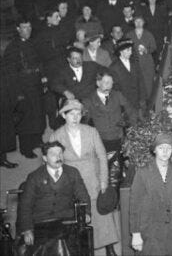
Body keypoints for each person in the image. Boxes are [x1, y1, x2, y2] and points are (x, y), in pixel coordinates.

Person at [49, 99, 119, 255]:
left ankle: (109, 247)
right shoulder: (56, 136)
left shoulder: (91, 131)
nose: (75, 117)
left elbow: (102, 157)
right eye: (71, 114)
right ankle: (85, 248)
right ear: (64, 116)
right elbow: (52, 164)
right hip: (71, 182)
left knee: (102, 213)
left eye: (78, 114)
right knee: (79, 217)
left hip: (92, 177)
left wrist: (103, 181)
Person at [130, 133, 172, 255]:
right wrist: (135, 233)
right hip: (151, 233)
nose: (165, 151)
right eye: (161, 148)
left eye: (168, 148)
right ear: (154, 150)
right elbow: (135, 206)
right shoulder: (143, 173)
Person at [17, 141, 90, 248]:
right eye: (53, 154)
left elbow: (83, 196)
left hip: (65, 220)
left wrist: (86, 213)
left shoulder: (72, 173)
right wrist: (27, 229)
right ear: (45, 158)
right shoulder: (34, 177)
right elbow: (25, 205)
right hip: (40, 222)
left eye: (60, 153)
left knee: (67, 244)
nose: (58, 157)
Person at [3, 20, 46, 158]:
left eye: (29, 26)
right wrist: (18, 94)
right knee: (26, 118)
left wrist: (43, 77)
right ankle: (26, 148)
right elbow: (10, 74)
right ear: (17, 29)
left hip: (36, 84)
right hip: (22, 88)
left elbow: (40, 62)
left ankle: (37, 141)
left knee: (38, 114)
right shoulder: (12, 48)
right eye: (24, 27)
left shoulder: (33, 43)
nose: (28, 30)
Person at [109, 38, 147, 116]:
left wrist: (142, 99)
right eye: (128, 50)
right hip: (125, 105)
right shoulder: (113, 67)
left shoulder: (134, 63)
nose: (130, 52)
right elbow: (115, 88)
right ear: (121, 52)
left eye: (131, 49)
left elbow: (141, 81)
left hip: (138, 102)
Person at [126, 16, 156, 98]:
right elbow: (125, 48)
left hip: (147, 63)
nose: (138, 24)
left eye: (140, 22)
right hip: (134, 63)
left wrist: (146, 50)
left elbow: (154, 47)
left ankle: (149, 104)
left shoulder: (148, 34)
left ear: (143, 23)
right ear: (134, 23)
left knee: (148, 84)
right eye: (136, 22)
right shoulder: (129, 35)